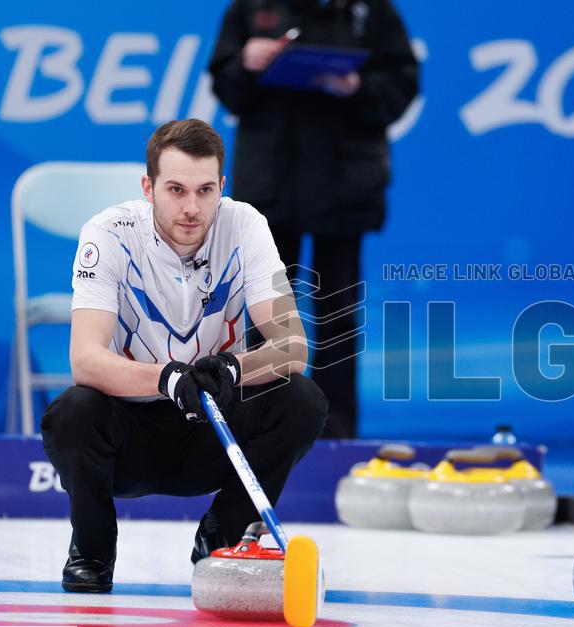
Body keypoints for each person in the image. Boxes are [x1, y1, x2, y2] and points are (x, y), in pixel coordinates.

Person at [41, 119, 327, 593]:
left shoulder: (246, 226)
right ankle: (91, 551)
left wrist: (234, 368)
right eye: (175, 189)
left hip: (213, 429)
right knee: (73, 411)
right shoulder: (109, 233)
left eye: (205, 190)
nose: (192, 208)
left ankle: (222, 536)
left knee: (302, 399)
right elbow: (85, 360)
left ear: (222, 187)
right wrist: (168, 379)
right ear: (148, 187)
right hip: (129, 437)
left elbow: (294, 346)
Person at [208, 0, 419, 438]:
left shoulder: (371, 11)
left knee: (338, 312)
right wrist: (246, 64)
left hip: (343, 181)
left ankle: (335, 431)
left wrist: (358, 86)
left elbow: (402, 83)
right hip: (272, 180)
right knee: (265, 313)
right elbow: (225, 83)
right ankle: (262, 424)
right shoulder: (251, 7)